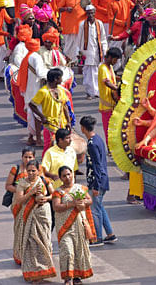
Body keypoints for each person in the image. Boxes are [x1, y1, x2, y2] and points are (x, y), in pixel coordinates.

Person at [13, 159, 57, 282]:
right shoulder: (22, 183)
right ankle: (33, 273)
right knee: (32, 243)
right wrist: (31, 193)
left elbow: (54, 195)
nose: (31, 173)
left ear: (38, 171)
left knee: (45, 242)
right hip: (29, 215)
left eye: (33, 171)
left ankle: (44, 271)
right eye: (29, 171)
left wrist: (46, 198)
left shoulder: (44, 180)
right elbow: (19, 200)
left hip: (43, 215)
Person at [52, 166, 95, 284]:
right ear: (60, 178)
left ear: (72, 174)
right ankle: (67, 278)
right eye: (64, 176)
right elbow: (56, 207)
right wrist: (72, 204)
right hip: (65, 228)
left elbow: (90, 200)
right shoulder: (58, 192)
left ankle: (77, 277)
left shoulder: (80, 188)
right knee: (67, 251)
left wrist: (83, 203)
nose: (67, 177)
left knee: (79, 251)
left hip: (79, 226)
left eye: (69, 174)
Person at [80, 115, 116, 246]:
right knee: (100, 207)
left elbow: (96, 165)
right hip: (102, 179)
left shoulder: (92, 144)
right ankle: (110, 234)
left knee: (95, 209)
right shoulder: (98, 139)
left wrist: (96, 185)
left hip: (97, 181)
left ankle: (98, 237)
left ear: (83, 128)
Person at [6, 148, 35, 266]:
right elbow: (8, 186)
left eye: (30, 157)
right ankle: (20, 255)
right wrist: (21, 190)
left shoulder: (37, 170)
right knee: (20, 229)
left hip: (33, 203)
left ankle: (31, 256)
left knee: (32, 230)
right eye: (25, 157)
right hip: (19, 203)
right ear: (21, 157)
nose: (27, 159)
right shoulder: (15, 169)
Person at [78, 4, 107, 98]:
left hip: (97, 51)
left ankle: (96, 92)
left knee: (97, 72)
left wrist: (105, 49)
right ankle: (89, 92)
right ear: (86, 14)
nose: (90, 15)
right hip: (86, 51)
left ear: (95, 13)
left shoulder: (99, 24)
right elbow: (79, 38)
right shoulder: (82, 24)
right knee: (87, 73)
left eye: (92, 13)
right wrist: (78, 51)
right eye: (88, 13)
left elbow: (103, 38)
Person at [97, 47, 121, 138]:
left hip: (113, 104)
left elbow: (113, 77)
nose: (115, 62)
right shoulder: (103, 68)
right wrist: (117, 89)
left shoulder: (110, 67)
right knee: (109, 131)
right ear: (110, 57)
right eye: (115, 60)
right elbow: (107, 82)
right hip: (106, 106)